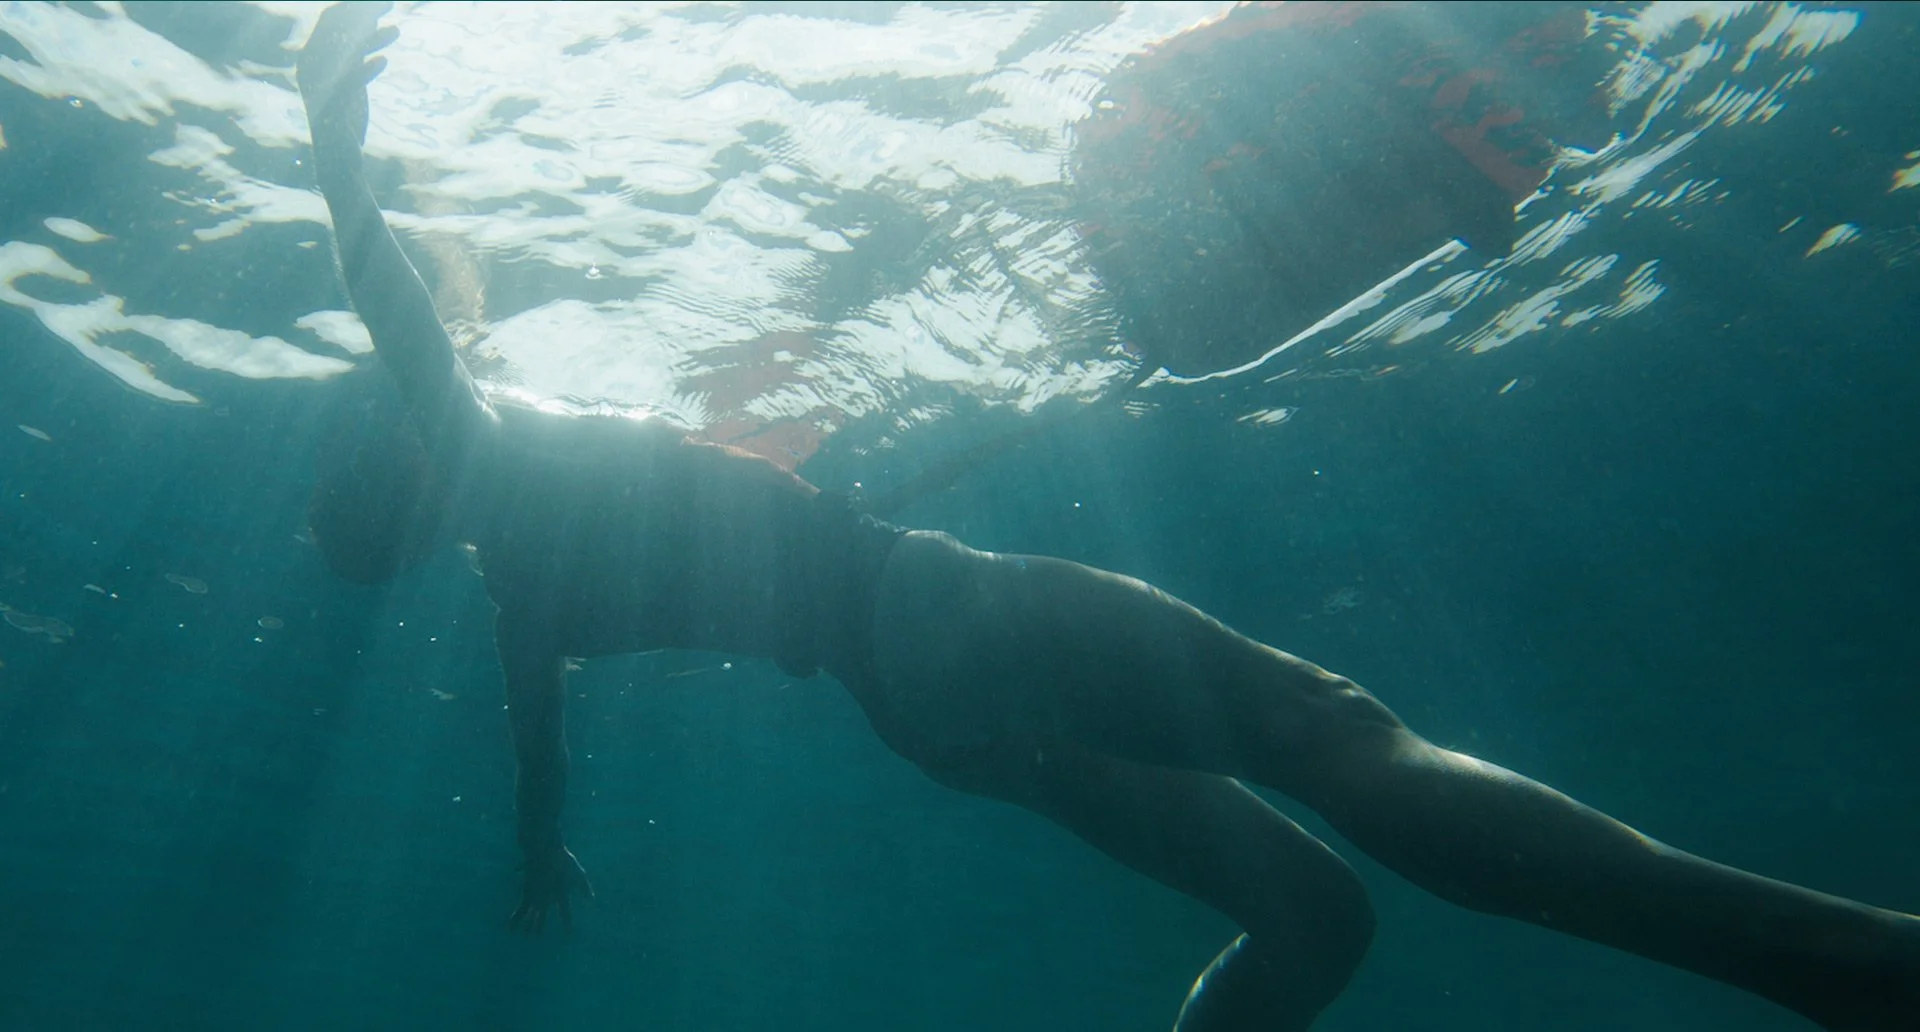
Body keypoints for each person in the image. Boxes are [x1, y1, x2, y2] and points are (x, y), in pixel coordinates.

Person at [295, 7, 1918, 1030]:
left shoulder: (517, 587)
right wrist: (324, 121)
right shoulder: (483, 444)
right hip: (929, 608)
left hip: (923, 719)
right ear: (407, 460)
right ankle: (1836, 961)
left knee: (1316, 916)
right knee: (1332, 729)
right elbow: (391, 298)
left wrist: (541, 861)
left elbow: (538, 759)